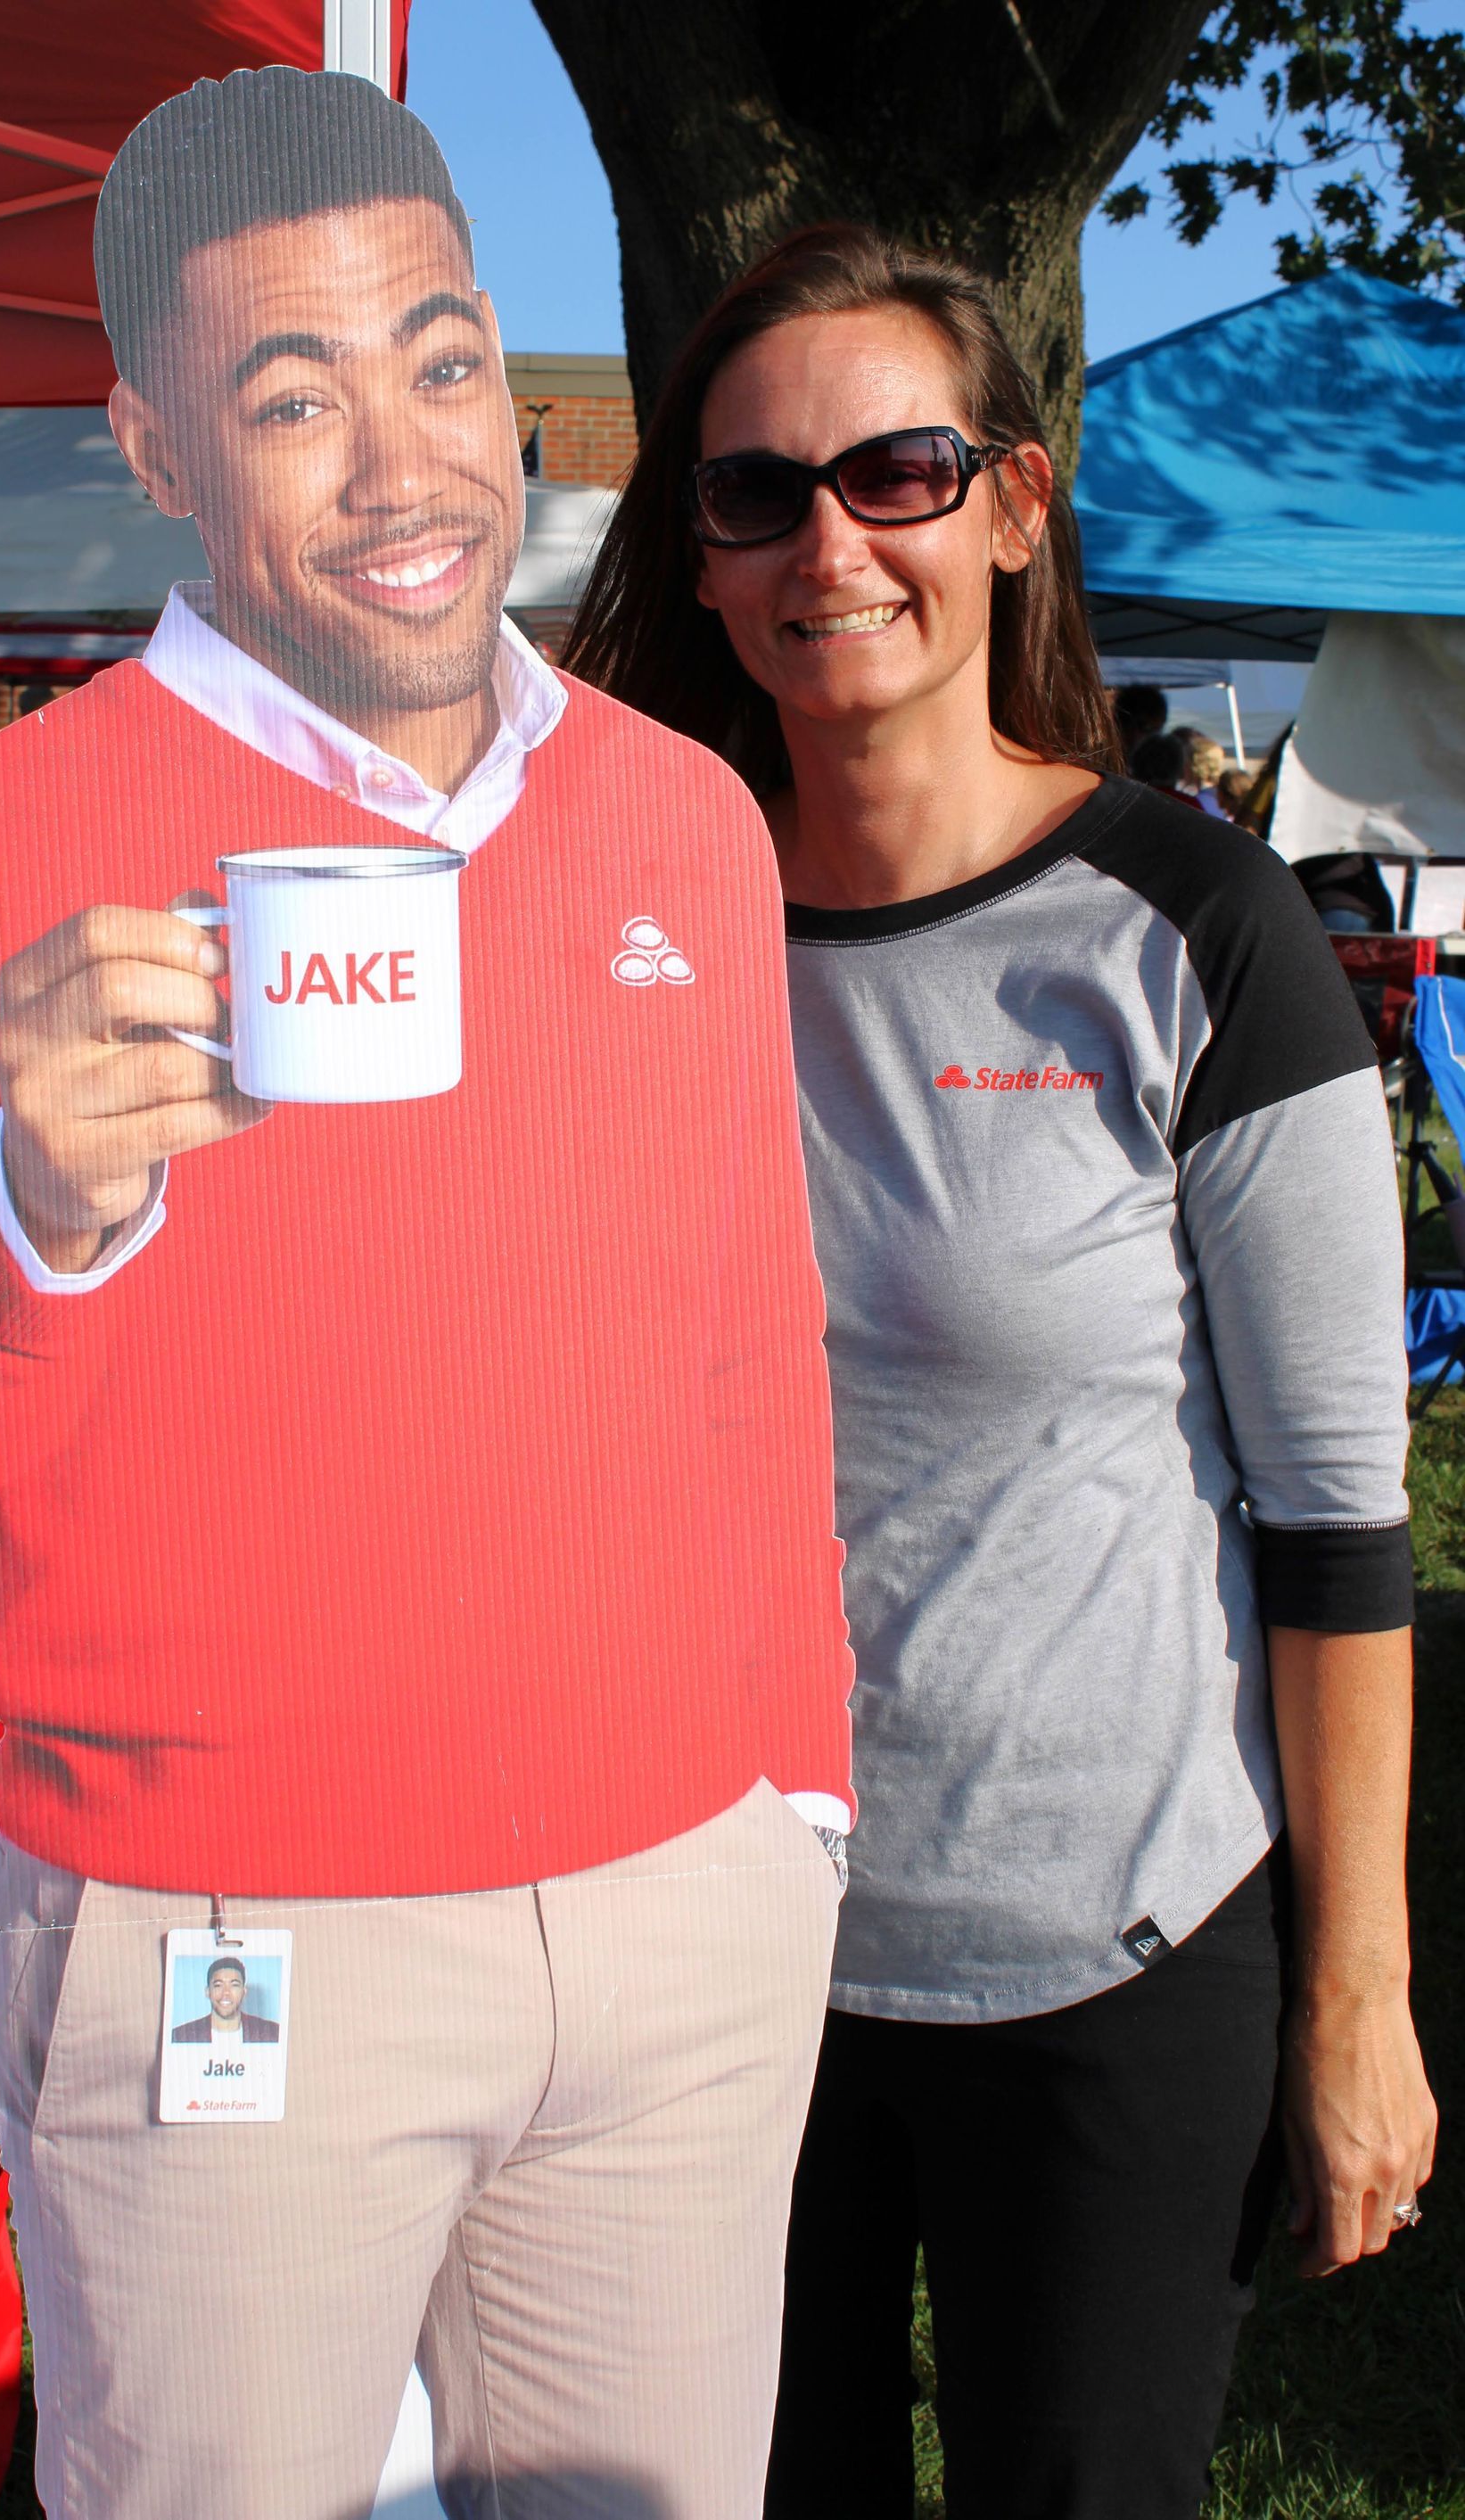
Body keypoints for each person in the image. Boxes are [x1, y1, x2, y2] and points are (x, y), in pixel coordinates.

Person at [0, 72, 852, 2520]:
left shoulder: (680, 812)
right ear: (158, 446)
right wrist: (28, 1188)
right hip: (220, 1946)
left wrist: (791, 1811)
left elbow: (745, 1361)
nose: (402, 461)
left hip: (684, 1925)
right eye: (296, 395)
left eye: (445, 359)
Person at [565, 222, 1436, 2520]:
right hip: (716, 1951)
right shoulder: (612, 933)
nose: (826, 542)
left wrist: (1357, 2000)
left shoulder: (1192, 930)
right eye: (753, 495)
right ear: (702, 550)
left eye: (898, 472)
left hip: (1116, 1949)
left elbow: (1345, 1532)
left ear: (1014, 505)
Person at [171, 1954, 281, 2044]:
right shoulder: (180, 2036)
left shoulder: (273, 2033)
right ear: (207, 1992)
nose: (226, 1993)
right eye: (218, 1985)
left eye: (234, 1985)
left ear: (244, 1992)